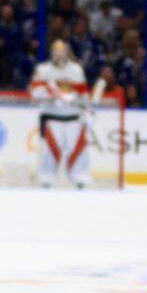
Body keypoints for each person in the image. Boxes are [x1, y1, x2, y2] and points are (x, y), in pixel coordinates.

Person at [29, 39, 91, 188]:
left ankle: (79, 178)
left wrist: (82, 106)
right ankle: (46, 179)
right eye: (55, 51)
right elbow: (35, 93)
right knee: (49, 151)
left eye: (61, 51)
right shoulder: (43, 70)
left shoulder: (76, 70)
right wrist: (51, 94)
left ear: (67, 52)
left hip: (73, 118)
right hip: (52, 118)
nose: (58, 54)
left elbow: (83, 94)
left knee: (77, 149)